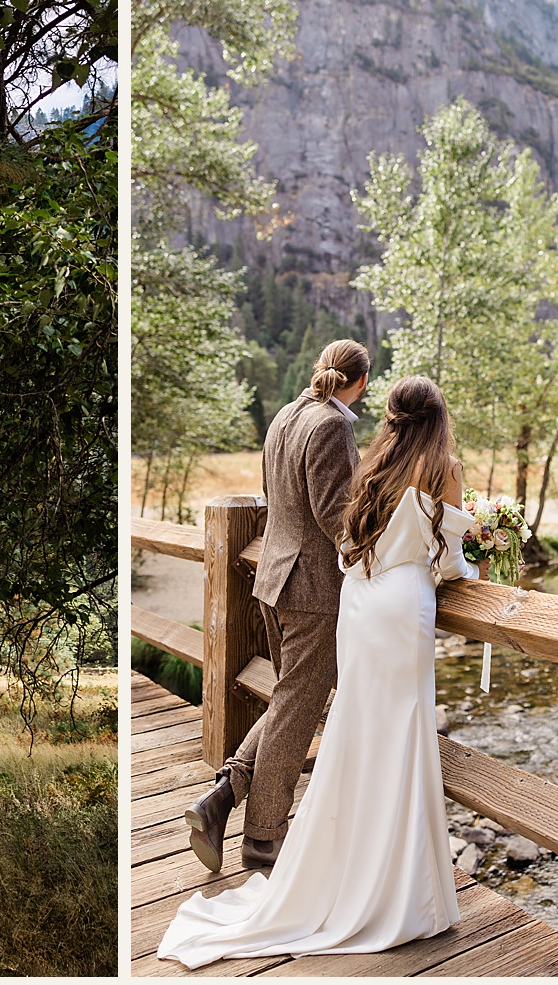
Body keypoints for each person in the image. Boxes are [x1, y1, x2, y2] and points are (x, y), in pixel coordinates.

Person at [156, 376, 476, 967]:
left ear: (388, 414)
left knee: (337, 721)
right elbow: (442, 556)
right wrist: (474, 546)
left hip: (335, 592)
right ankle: (268, 834)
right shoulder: (434, 463)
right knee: (353, 720)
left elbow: (344, 531)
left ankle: (234, 797)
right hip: (360, 599)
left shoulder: (346, 446)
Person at [186, 339, 369, 873]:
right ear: (359, 382)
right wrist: (382, 555)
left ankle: (221, 797)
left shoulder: (286, 416)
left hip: (272, 579)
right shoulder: (333, 426)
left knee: (288, 701)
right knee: (297, 708)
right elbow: (334, 514)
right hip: (313, 592)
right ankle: (264, 836)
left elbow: (273, 496)